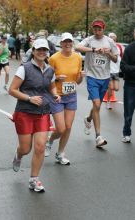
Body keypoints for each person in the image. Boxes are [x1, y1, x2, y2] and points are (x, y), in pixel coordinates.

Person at [9, 38, 60, 192]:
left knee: (40, 147)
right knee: (26, 149)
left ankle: (34, 179)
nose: (42, 52)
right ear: (33, 51)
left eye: (44, 50)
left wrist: (55, 95)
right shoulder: (25, 68)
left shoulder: (50, 70)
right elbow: (12, 90)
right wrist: (29, 98)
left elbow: (51, 87)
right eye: (39, 49)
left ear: (47, 52)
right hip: (25, 112)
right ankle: (18, 156)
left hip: (43, 113)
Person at [76, 19, 118, 148]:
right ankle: (98, 136)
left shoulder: (109, 41)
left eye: (99, 29)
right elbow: (77, 47)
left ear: (103, 29)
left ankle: (88, 119)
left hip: (104, 77)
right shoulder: (89, 40)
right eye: (95, 29)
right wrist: (94, 50)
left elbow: (116, 59)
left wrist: (108, 53)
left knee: (97, 105)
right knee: (97, 104)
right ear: (92, 29)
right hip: (92, 76)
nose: (97, 31)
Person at [45, 32, 85, 164]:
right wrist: (56, 78)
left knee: (68, 126)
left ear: (72, 43)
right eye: (65, 42)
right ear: (61, 43)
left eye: (70, 42)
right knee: (61, 128)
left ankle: (60, 154)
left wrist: (81, 76)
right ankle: (50, 141)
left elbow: (77, 82)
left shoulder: (78, 57)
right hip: (57, 95)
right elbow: (46, 79)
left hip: (71, 95)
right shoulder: (54, 58)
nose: (67, 44)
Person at [120, 36, 135, 143]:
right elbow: (123, 66)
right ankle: (126, 133)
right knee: (128, 111)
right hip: (131, 84)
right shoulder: (129, 48)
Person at [106, 32, 124, 109]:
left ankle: (107, 88)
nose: (113, 38)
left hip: (116, 71)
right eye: (111, 37)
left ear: (116, 38)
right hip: (109, 71)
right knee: (111, 87)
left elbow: (122, 57)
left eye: (114, 37)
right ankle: (108, 102)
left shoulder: (119, 47)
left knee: (116, 88)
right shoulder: (107, 47)